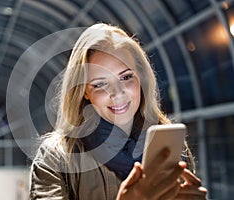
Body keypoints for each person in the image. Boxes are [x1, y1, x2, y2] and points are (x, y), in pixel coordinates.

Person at [29, 23, 207, 199]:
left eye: (126, 77)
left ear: (142, 78)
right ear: (84, 91)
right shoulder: (55, 158)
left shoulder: (169, 146)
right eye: (100, 84)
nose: (117, 93)